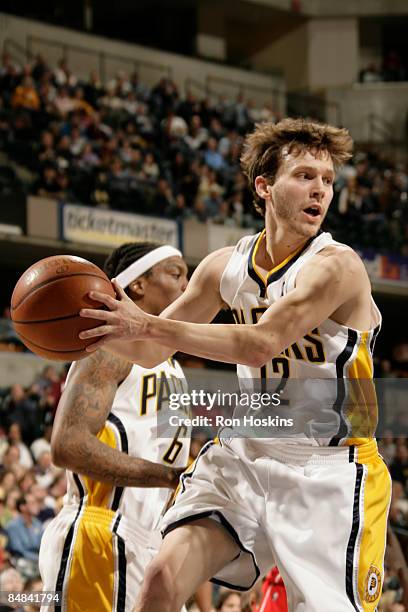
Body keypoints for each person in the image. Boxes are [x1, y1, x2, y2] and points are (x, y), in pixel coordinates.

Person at [78, 118, 390, 611]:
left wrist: (147, 325)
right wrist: (96, 326)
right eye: (305, 175)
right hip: (247, 450)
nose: (321, 191)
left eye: (328, 180)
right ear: (264, 186)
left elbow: (260, 343)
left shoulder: (338, 267)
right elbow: (150, 350)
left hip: (329, 468)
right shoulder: (226, 266)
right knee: (160, 577)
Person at [39, 242, 191, 611]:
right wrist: (174, 476)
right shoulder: (112, 345)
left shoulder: (166, 360)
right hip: (100, 536)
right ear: (138, 285)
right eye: (175, 274)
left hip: (148, 541)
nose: (187, 286)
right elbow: (68, 445)